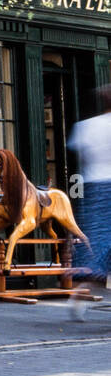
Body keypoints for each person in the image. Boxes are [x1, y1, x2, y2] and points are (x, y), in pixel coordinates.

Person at [67, 85, 111, 293]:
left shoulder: (86, 126)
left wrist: (76, 192)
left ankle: (84, 283)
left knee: (95, 236)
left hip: (92, 184)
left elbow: (80, 161)